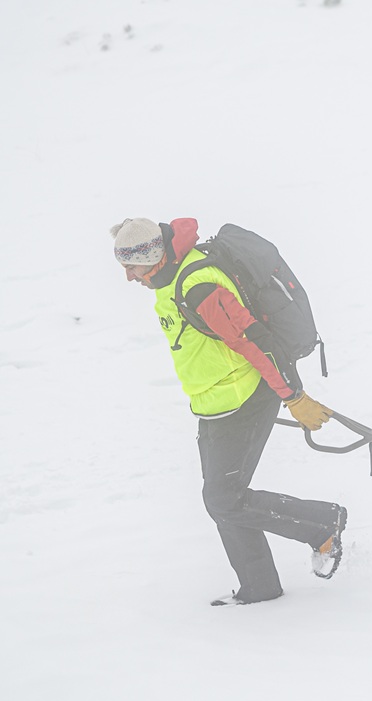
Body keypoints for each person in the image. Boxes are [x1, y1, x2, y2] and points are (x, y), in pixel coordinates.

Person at [110, 217, 348, 605]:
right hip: (215, 404)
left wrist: (295, 396)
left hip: (245, 397)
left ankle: (322, 524)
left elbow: (258, 342)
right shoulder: (168, 280)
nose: (128, 277)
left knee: (224, 499)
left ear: (152, 256)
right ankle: (260, 588)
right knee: (223, 498)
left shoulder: (197, 285)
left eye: (131, 267)